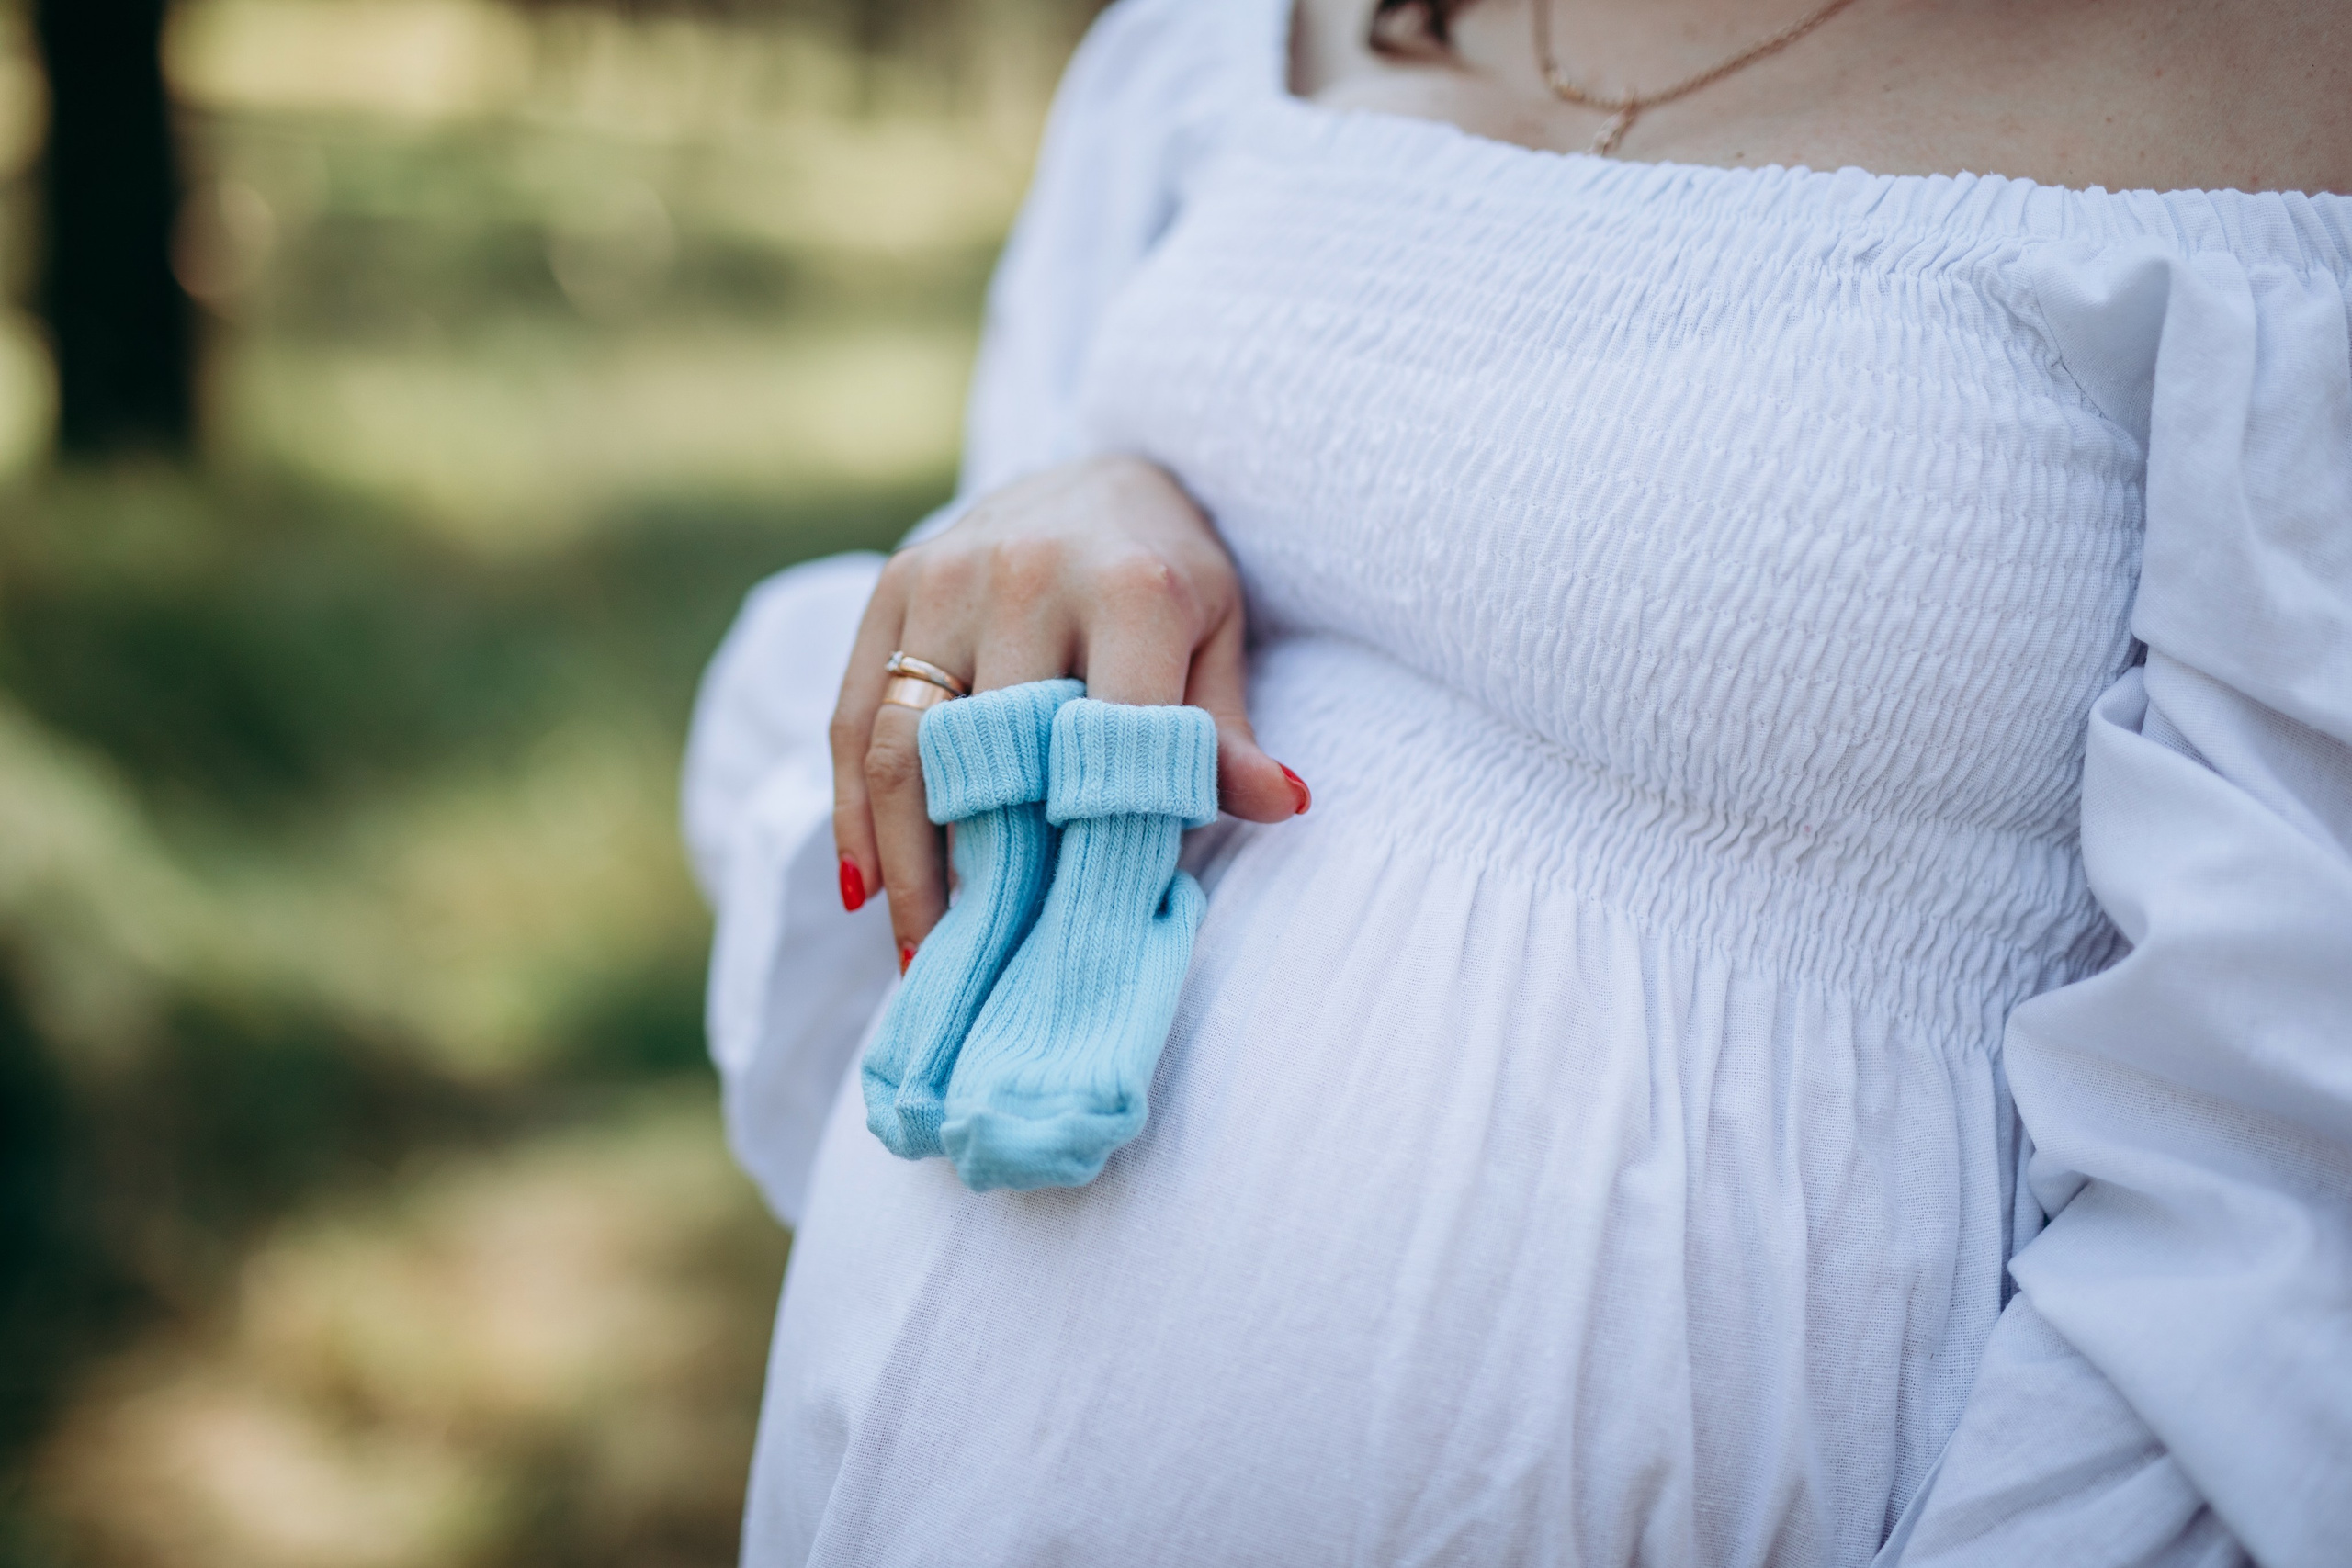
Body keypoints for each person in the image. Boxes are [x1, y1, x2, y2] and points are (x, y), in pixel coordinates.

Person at [681, 0, 2352, 1561]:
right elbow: (990, 657)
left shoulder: (2284, 110)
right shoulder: (1221, 44)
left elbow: (2271, 1191)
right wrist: (1062, 513)